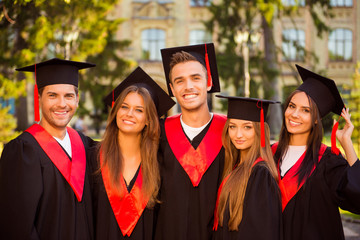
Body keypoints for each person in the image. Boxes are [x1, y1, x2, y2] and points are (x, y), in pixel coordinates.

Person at [0, 58, 96, 239]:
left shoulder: (85, 145)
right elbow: (17, 226)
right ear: (39, 98)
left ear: (77, 100)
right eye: (52, 95)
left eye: (69, 96)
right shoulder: (22, 152)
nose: (62, 104)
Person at [273, 64, 360, 240]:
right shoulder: (270, 154)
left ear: (316, 119)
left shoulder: (328, 161)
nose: (295, 114)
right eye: (292, 106)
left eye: (306, 110)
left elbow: (357, 198)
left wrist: (347, 144)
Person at [90, 67, 175, 239]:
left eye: (139, 110)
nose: (129, 114)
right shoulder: (93, 158)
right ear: (116, 112)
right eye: (124, 107)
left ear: (148, 120)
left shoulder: (159, 163)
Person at [155, 43, 226, 240]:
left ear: (209, 82)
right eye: (179, 81)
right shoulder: (158, 133)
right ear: (172, 89)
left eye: (196, 78)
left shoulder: (230, 133)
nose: (188, 87)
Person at [212, 96, 282, 240]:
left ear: (260, 130)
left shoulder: (260, 175)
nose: (238, 134)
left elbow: (260, 233)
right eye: (232, 126)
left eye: (247, 127)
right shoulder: (234, 168)